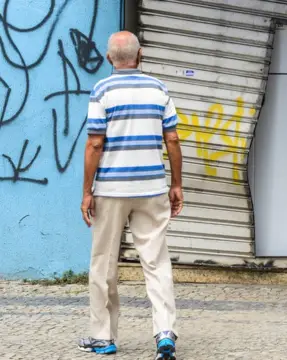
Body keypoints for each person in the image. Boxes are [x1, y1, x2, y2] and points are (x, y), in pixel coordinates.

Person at [78, 30, 183, 360]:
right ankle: (164, 332)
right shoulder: (158, 88)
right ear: (140, 55)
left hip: (111, 190)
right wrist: (176, 184)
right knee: (156, 261)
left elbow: (95, 143)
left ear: (110, 58)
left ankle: (104, 337)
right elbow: (174, 139)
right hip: (152, 188)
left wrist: (86, 191)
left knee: (103, 263)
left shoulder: (102, 90)